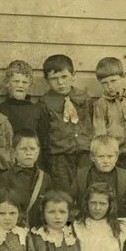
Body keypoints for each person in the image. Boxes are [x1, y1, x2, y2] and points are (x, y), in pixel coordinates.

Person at [39, 54, 94, 192]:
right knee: (64, 193)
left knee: (85, 190)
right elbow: (43, 135)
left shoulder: (85, 99)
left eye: (64, 77)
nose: (60, 82)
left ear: (73, 75)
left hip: (84, 155)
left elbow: (91, 123)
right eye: (54, 79)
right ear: (47, 80)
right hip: (59, 158)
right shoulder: (44, 103)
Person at [0, 129, 52, 227]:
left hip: (38, 229)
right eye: (23, 149)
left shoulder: (45, 178)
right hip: (14, 228)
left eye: (32, 149)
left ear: (38, 152)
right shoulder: (5, 177)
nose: (28, 153)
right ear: (13, 152)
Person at [92, 56, 126, 154]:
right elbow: (100, 135)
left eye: (113, 81)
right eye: (104, 83)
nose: (110, 86)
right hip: (114, 154)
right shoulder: (100, 105)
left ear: (123, 76)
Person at [70, 134, 126, 215]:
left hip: (116, 218)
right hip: (88, 219)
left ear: (116, 157)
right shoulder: (82, 175)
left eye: (110, 156)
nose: (106, 161)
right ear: (92, 157)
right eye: (101, 156)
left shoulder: (124, 177)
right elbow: (70, 200)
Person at [0, 59, 48, 150]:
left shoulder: (37, 110)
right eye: (16, 81)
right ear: (7, 83)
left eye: (25, 82)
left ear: (30, 85)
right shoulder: (0, 109)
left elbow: (43, 140)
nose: (20, 85)